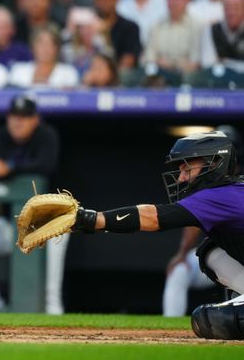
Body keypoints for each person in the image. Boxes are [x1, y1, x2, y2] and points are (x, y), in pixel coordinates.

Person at [70, 130, 244, 340]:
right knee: (210, 251)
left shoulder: (222, 195)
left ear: (215, 163)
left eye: (187, 168)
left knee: (211, 320)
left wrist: (92, 219)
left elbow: (153, 217)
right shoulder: (228, 192)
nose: (181, 178)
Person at [0, 94, 67, 314]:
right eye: (15, 116)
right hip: (13, 223)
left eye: (25, 117)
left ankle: (53, 312)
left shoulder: (46, 136)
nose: (18, 121)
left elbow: (45, 165)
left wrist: (8, 168)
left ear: (35, 119)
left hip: (52, 223)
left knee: (50, 298)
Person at [162, 125, 243, 317]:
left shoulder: (231, 184)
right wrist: (181, 254)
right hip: (227, 250)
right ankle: (170, 323)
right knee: (203, 257)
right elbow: (194, 217)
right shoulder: (211, 184)